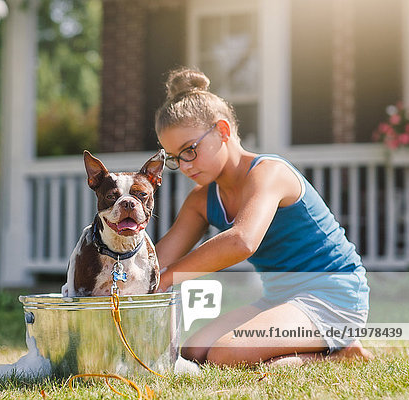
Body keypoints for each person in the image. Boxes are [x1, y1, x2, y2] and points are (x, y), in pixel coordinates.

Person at [154, 67, 372, 366]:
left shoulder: (269, 173)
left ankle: (339, 353)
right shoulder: (201, 199)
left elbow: (242, 241)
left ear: (223, 131)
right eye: (174, 158)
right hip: (279, 299)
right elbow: (159, 259)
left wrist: (168, 277)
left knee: (224, 354)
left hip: (333, 295)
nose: (185, 165)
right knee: (194, 350)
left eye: (189, 150)